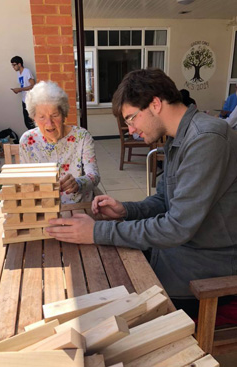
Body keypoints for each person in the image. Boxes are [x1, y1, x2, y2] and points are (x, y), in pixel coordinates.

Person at [44, 68, 237, 316]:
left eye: (131, 118)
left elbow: (176, 226)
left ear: (155, 104)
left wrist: (96, 231)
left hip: (202, 272)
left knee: (108, 310)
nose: (131, 130)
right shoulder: (177, 138)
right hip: (175, 253)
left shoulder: (206, 139)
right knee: (92, 274)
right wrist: (127, 210)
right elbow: (165, 201)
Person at [19, 80, 100, 204]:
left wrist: (78, 183)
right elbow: (25, 180)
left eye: (55, 115)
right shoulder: (27, 141)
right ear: (33, 117)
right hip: (44, 208)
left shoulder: (82, 137)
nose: (49, 123)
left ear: (63, 114)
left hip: (78, 206)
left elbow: (94, 175)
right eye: (42, 117)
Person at [10, 56, 35, 130]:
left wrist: (20, 89)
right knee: (26, 122)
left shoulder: (27, 71)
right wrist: (17, 90)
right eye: (12, 65)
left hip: (30, 100)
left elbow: (33, 85)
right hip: (24, 100)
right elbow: (23, 86)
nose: (13, 67)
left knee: (31, 122)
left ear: (19, 64)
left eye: (14, 65)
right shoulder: (19, 73)